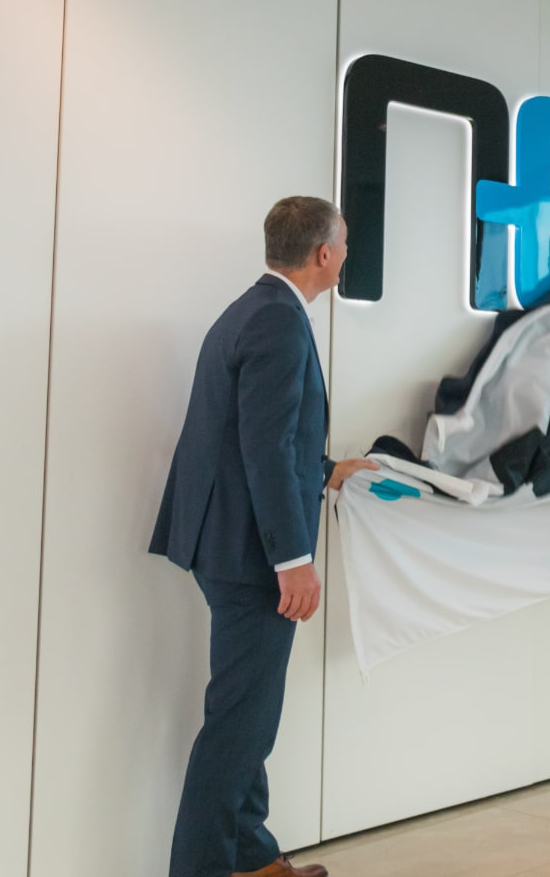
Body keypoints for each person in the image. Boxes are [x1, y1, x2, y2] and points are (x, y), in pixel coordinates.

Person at [150, 196, 378, 877]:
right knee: (238, 729)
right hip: (250, 554)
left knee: (248, 717)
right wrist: (293, 559)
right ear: (323, 253)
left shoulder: (253, 308)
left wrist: (328, 470)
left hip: (223, 542)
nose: (345, 255)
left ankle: (252, 859)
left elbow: (257, 432)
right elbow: (266, 446)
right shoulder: (279, 320)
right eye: (343, 244)